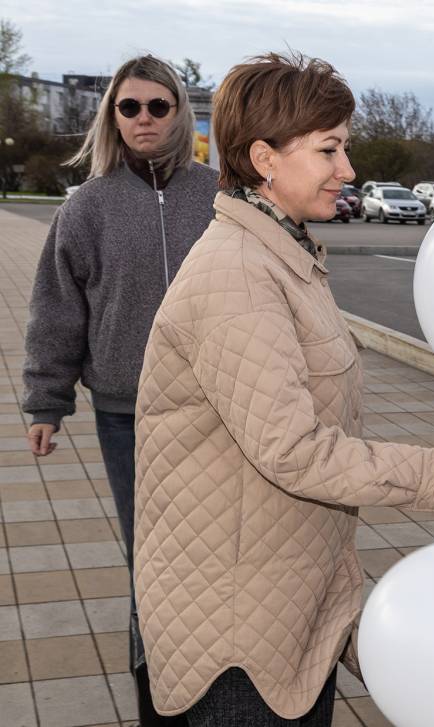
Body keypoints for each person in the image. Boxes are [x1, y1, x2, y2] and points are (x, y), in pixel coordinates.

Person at [133, 52, 434, 726]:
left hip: (286, 608)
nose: (349, 169)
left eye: (347, 147)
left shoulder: (284, 255)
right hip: (237, 639)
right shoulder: (239, 276)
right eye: (330, 149)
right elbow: (293, 450)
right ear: (265, 159)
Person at [21, 54, 219, 726]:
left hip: (218, 410)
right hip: (126, 415)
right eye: (127, 107)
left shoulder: (221, 197)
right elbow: (56, 309)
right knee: (153, 561)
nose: (141, 118)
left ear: (179, 111)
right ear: (112, 115)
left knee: (220, 546)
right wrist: (47, 401)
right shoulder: (89, 207)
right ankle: (160, 700)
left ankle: (217, 678)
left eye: (156, 106)